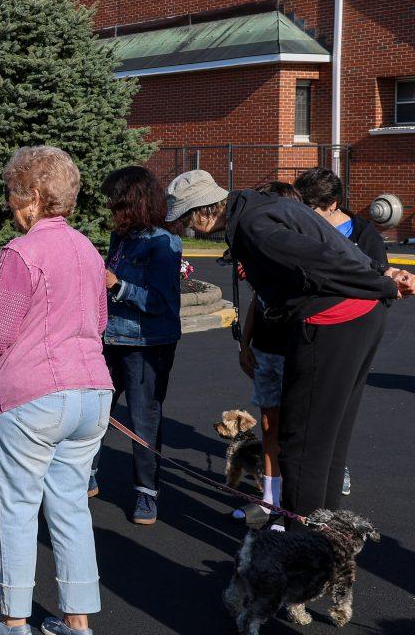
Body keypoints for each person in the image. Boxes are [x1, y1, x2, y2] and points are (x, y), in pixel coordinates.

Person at [165, 169, 413, 521]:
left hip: (332, 325)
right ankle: (325, 538)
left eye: (185, 219)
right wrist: (380, 273)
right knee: (328, 439)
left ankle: (302, 552)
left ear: (204, 209)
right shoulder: (262, 204)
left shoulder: (254, 226)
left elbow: (321, 259)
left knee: (300, 445)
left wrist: (382, 282)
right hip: (359, 318)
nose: (184, 228)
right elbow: (332, 240)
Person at [0, 146, 113, 635]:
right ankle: (78, 623)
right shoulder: (89, 251)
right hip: (92, 392)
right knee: (71, 507)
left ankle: (14, 620)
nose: (10, 204)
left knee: (16, 507)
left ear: (32, 196)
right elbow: (98, 322)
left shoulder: (20, 252)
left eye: (13, 193)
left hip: (33, 396)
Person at [90, 165, 181, 526]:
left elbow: (160, 302)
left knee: (144, 419)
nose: (111, 208)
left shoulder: (163, 242)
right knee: (96, 412)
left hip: (147, 343)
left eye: (116, 202)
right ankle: (87, 475)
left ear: (134, 203)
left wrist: (117, 286)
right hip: (110, 337)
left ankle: (147, 494)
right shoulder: (121, 238)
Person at [294, 166, 389, 498]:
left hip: (345, 333)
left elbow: (379, 284)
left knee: (333, 418)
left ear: (333, 204)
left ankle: (331, 475)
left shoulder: (363, 236)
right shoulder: (299, 230)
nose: (306, 216)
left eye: (313, 209)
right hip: (306, 333)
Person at [235, 181, 302, 524]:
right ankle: (269, 501)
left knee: (298, 428)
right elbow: (255, 304)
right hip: (265, 350)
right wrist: (245, 344)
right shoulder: (261, 253)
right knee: (268, 425)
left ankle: (293, 506)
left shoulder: (303, 254)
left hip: (298, 351)